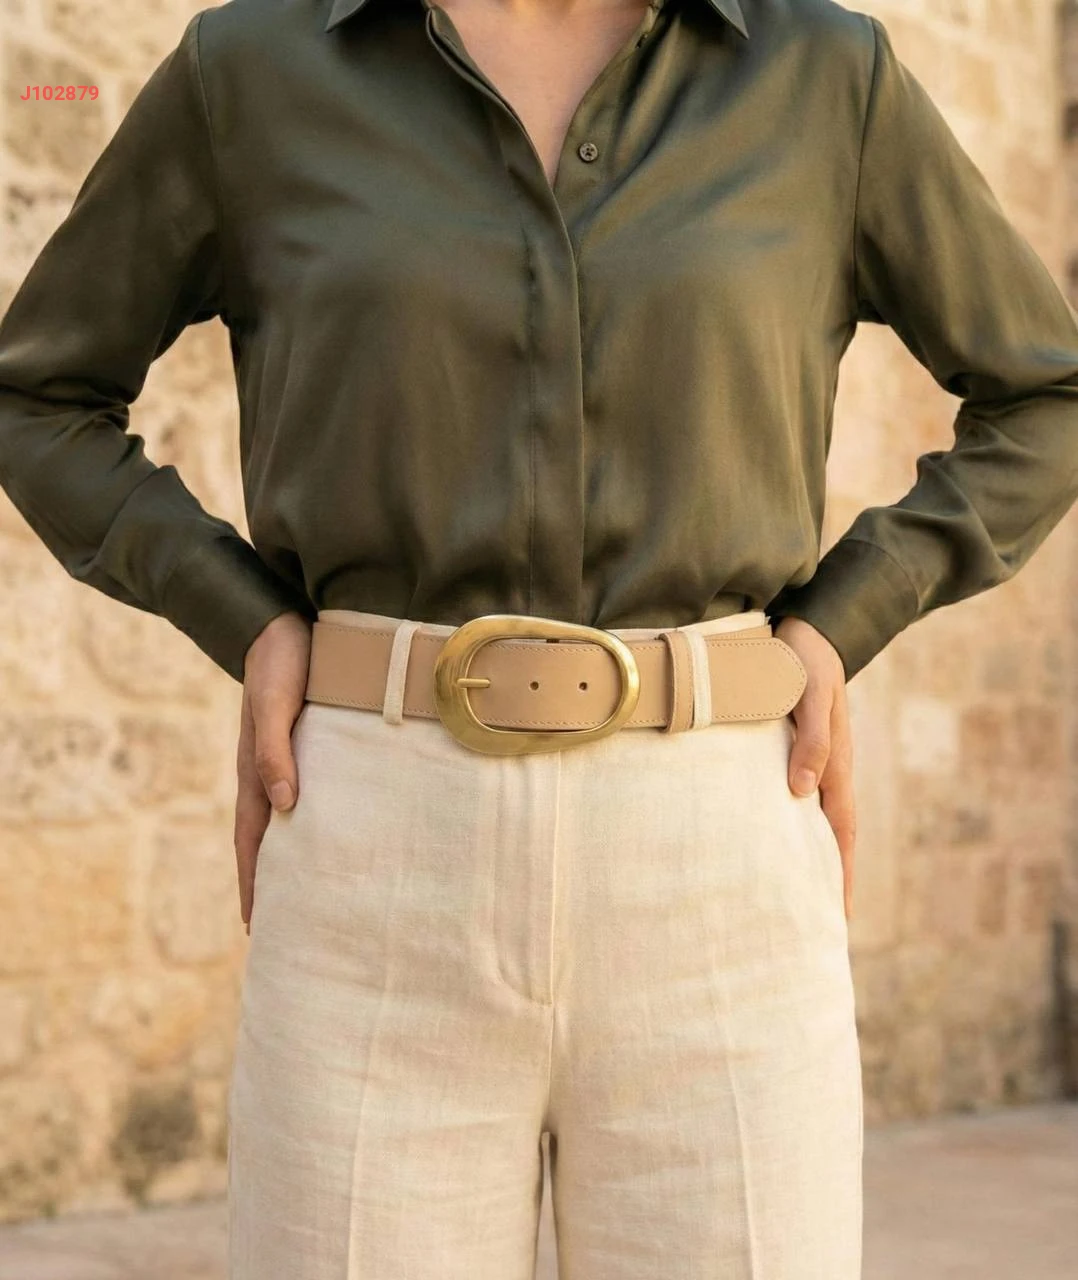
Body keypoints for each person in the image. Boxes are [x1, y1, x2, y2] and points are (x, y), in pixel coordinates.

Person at [2, 0, 1077, 1276]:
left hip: (721, 854)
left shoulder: (823, 75)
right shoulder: (249, 72)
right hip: (377, 857)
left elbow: (1043, 396)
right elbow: (39, 395)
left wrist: (846, 617)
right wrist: (243, 615)